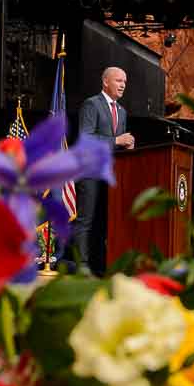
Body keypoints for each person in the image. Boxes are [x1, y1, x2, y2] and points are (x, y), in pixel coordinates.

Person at [69, 66, 135, 274]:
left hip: (110, 175)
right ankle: (82, 267)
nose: (123, 85)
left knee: (103, 222)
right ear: (105, 82)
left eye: (124, 81)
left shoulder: (122, 111)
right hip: (90, 173)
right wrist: (117, 140)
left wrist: (127, 145)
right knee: (86, 221)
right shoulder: (92, 104)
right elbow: (86, 139)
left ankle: (100, 266)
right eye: (118, 81)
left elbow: (117, 145)